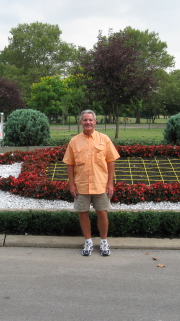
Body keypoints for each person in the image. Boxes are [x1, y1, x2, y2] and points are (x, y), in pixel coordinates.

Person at [63, 110, 120, 256]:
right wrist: (71, 185)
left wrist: (110, 184)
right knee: (83, 213)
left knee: (102, 213)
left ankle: (103, 242)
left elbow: (111, 162)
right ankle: (88, 241)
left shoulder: (104, 139)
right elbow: (69, 164)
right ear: (81, 122)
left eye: (90, 120)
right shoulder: (74, 141)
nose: (88, 122)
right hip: (81, 184)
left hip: (100, 184)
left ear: (95, 122)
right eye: (85, 120)